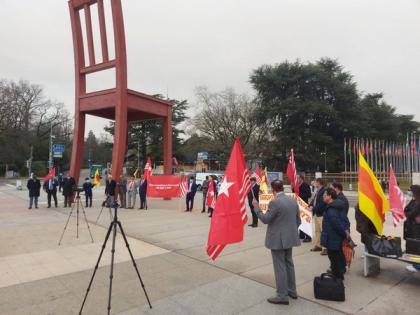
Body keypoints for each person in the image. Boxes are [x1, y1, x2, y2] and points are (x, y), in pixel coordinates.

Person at [252, 180, 301, 305]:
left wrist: (256, 208)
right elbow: (298, 221)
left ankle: (282, 295)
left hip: (278, 240)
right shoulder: (292, 200)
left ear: (273, 190)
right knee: (289, 264)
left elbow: (265, 219)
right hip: (289, 238)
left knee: (280, 267)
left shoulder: (275, 202)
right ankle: (292, 290)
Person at [321, 188, 350, 280]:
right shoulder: (337, 206)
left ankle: (337, 279)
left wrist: (344, 233)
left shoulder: (331, 209)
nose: (323, 197)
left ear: (330, 196)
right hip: (336, 237)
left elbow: (337, 224)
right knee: (338, 256)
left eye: (325, 195)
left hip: (332, 237)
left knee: (334, 259)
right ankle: (340, 272)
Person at [403, 185, 420, 272]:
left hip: (416, 229)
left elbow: (411, 214)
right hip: (411, 227)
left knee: (416, 246)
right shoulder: (413, 201)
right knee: (412, 245)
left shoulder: (418, 202)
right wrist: (408, 212)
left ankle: (417, 266)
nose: (410, 193)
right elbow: (405, 210)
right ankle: (414, 263)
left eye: (411, 191)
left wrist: (408, 214)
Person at [309, 178, 328, 255]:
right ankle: (318, 245)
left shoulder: (324, 191)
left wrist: (314, 208)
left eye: (316, 182)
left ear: (319, 183)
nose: (314, 183)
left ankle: (325, 248)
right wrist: (310, 205)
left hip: (321, 213)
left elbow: (323, 203)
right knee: (317, 231)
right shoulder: (317, 191)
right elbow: (314, 200)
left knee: (323, 231)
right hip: (316, 213)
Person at [297, 174, 312, 242]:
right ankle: (301, 234)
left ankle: (308, 237)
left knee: (305, 221)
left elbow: (309, 194)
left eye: (298, 178)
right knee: (300, 220)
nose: (297, 179)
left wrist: (299, 195)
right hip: (299, 205)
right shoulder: (297, 185)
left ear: (301, 178)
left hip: (304, 205)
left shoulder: (305, 185)